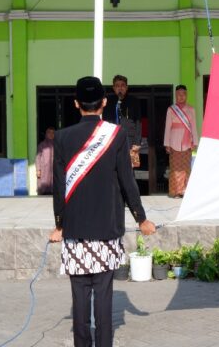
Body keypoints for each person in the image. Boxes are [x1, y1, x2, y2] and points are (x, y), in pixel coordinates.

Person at [49, 76, 156, 347]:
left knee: (80, 298)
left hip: (75, 232)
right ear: (104, 102)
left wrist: (59, 224)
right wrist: (141, 218)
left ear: (76, 104)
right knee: (104, 297)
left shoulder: (61, 137)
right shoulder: (117, 135)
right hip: (106, 230)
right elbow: (127, 182)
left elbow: (59, 186)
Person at [163, 85, 198, 198]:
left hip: (187, 143)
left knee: (185, 168)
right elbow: (167, 127)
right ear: (176, 95)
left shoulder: (191, 109)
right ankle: (176, 192)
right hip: (174, 142)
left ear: (186, 95)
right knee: (175, 169)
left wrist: (195, 142)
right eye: (179, 94)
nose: (181, 96)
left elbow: (193, 127)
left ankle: (185, 191)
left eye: (183, 94)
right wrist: (167, 144)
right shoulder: (171, 109)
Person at [103, 74, 142, 168]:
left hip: (130, 141)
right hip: (112, 140)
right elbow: (105, 122)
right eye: (117, 86)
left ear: (126, 87)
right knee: (113, 168)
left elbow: (138, 123)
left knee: (128, 170)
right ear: (113, 88)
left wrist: (137, 143)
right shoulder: (108, 102)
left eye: (122, 85)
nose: (120, 88)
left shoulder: (134, 101)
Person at [35, 126, 55, 195]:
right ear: (46, 134)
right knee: (43, 187)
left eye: (53, 133)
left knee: (53, 186)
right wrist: (38, 170)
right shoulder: (42, 145)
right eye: (49, 132)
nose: (51, 134)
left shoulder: (57, 144)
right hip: (44, 169)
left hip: (54, 169)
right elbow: (38, 158)